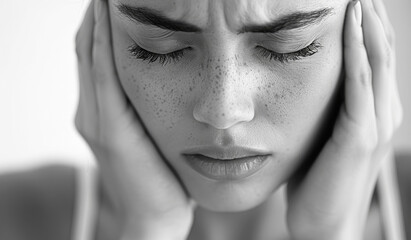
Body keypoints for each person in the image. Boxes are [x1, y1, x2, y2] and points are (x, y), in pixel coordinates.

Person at [0, 0, 408, 239]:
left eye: (288, 47)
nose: (222, 110)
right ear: (99, 38)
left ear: (368, 35)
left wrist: (332, 232)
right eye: (157, 47)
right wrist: (146, 228)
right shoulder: (15, 218)